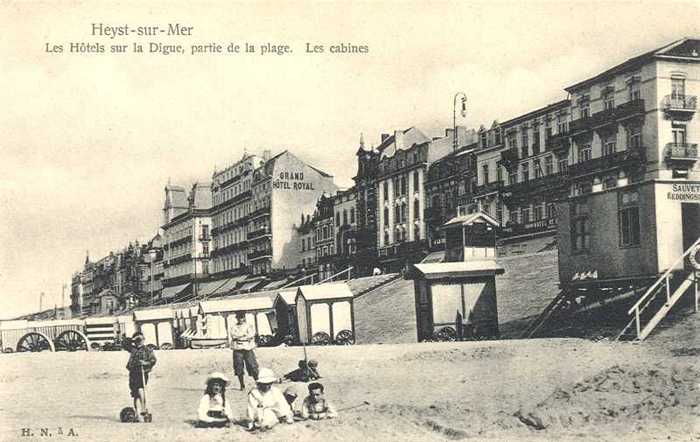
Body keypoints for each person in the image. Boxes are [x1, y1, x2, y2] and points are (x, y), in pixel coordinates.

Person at [125, 332, 156, 422]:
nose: (140, 342)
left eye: (141, 339)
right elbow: (124, 343)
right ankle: (137, 412)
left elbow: (153, 360)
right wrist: (133, 339)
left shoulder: (147, 350)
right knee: (135, 394)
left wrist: (145, 363)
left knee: (140, 389)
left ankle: (143, 408)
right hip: (133, 372)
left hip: (142, 372)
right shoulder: (132, 349)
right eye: (138, 340)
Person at [228, 311, 259, 390]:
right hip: (237, 348)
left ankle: (258, 382)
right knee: (239, 367)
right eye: (239, 317)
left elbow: (251, 335)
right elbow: (233, 335)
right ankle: (242, 385)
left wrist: (242, 336)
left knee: (252, 365)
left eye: (242, 317)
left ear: (244, 318)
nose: (241, 319)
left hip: (247, 347)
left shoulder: (248, 326)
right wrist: (243, 335)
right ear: (236, 318)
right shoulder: (234, 327)